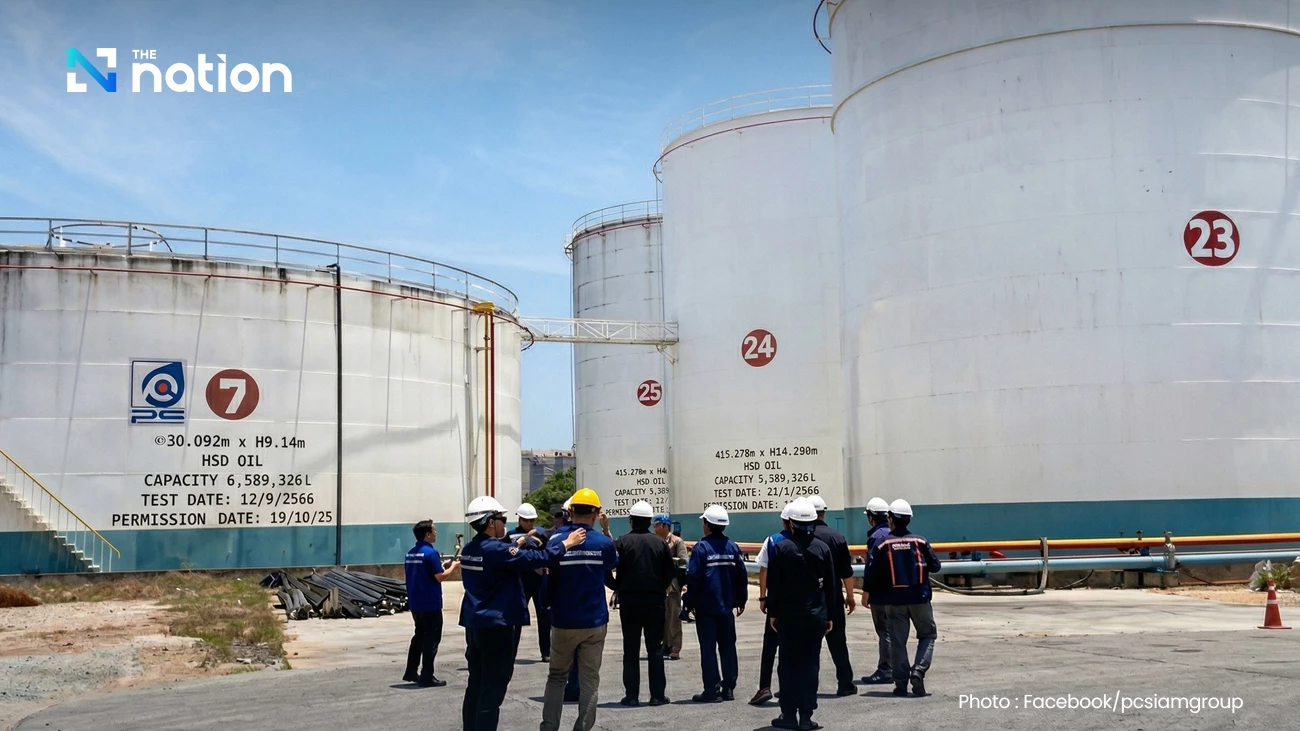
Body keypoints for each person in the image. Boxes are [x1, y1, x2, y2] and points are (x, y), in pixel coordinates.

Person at [459, 496, 587, 731]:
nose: (504, 523)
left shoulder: (469, 549)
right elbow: (538, 558)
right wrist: (567, 544)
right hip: (496, 626)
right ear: (490, 522)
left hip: (475, 623)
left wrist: (518, 543)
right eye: (501, 518)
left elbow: (500, 557)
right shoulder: (497, 550)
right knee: (494, 686)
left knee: (476, 683)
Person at [540, 488, 619, 731]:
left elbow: (548, 579)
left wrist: (546, 603)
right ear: (596, 513)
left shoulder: (557, 541)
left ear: (570, 511)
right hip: (594, 621)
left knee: (557, 677)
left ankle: (549, 726)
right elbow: (611, 569)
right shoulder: (604, 544)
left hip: (563, 620)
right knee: (590, 681)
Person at [766, 497, 838, 731]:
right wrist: (830, 616)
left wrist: (773, 612)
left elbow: (774, 585)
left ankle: (788, 714)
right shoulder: (823, 548)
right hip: (815, 616)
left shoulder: (781, 548)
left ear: (791, 523)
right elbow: (830, 586)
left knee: (787, 664)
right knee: (810, 665)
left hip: (788, 617)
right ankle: (806, 716)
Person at [864, 498, 941, 698]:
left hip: (894, 600)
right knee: (927, 635)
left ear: (890, 519)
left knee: (897, 641)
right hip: (920, 599)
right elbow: (935, 566)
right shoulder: (920, 541)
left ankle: (900, 684)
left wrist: (867, 593)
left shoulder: (882, 543)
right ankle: (918, 671)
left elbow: (871, 572)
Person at [605, 500, 674, 707]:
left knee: (631, 649)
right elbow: (670, 572)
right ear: (649, 521)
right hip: (654, 602)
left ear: (631, 520)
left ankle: (632, 696)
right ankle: (657, 696)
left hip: (629, 602)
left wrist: (616, 585)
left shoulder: (622, 542)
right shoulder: (660, 543)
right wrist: (660, 588)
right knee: (655, 649)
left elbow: (607, 566)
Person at [686, 504, 748, 703]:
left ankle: (712, 690)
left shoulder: (701, 548)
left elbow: (693, 577)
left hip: (706, 608)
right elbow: (741, 576)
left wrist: (689, 602)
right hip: (726, 608)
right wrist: (741, 600)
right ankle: (728, 688)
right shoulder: (732, 547)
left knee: (708, 649)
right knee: (728, 647)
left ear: (707, 525)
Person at [808, 494, 856, 695]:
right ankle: (845, 684)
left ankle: (806, 686)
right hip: (834, 597)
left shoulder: (802, 538)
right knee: (838, 643)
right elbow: (847, 572)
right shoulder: (837, 537)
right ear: (823, 514)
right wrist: (850, 596)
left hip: (809, 599)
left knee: (808, 646)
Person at [404, 519, 459, 687]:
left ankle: (411, 671)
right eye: (434, 530)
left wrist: (442, 565)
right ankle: (427, 675)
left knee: (419, 636)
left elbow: (426, 571)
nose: (436, 533)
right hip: (430, 603)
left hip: (416, 602)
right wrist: (454, 567)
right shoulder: (430, 553)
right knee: (432, 639)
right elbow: (440, 577)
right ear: (427, 534)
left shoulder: (411, 553)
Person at [750, 502, 794, 706]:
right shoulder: (808, 541)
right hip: (802, 603)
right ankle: (788, 687)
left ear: (784, 521)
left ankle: (764, 687)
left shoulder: (773, 540)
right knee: (792, 648)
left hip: (777, 602)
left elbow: (764, 569)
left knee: (770, 646)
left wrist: (763, 597)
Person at [508, 503, 551, 662]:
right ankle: (511, 653)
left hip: (539, 580)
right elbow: (508, 553)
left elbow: (547, 551)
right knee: (517, 617)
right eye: (526, 520)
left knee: (544, 616)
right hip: (520, 581)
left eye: (532, 520)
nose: (529, 523)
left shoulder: (540, 533)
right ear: (519, 519)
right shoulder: (511, 536)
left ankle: (546, 651)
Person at [859, 497, 893, 685]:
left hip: (880, 592)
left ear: (871, 517)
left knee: (884, 630)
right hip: (896, 592)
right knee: (895, 631)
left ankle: (886, 669)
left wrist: (866, 591)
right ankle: (898, 667)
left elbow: (872, 567)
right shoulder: (893, 533)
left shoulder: (876, 537)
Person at [653, 513, 688, 661]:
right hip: (657, 583)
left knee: (674, 615)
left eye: (657, 525)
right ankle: (665, 645)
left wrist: (668, 560)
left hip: (672, 583)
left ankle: (675, 646)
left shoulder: (677, 541)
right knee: (661, 616)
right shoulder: (654, 541)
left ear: (664, 526)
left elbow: (684, 561)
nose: (654, 528)